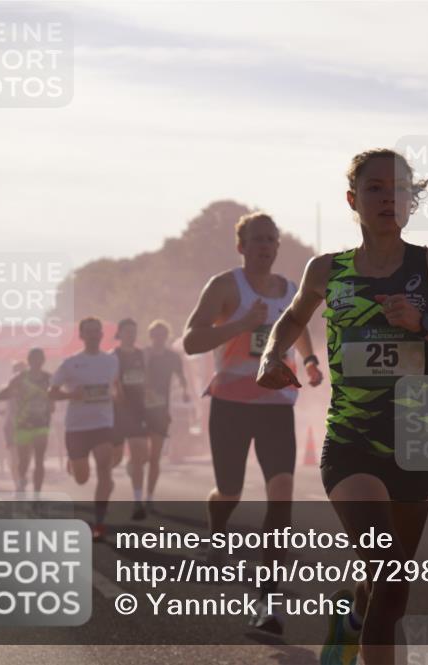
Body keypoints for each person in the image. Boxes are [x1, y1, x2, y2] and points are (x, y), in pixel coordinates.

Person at [257, 148, 428, 665]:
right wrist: (271, 355)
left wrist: (427, 326)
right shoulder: (326, 269)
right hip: (352, 439)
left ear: (412, 200)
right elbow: (292, 319)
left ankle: (351, 617)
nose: (390, 197)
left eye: (401, 189)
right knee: (387, 566)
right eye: (375, 188)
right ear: (353, 199)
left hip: (418, 435)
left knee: (391, 586)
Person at [183, 211, 323, 635]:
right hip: (230, 404)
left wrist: (311, 361)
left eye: (272, 240)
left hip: (276, 403)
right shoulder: (226, 286)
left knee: (281, 498)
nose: (266, 246)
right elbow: (191, 340)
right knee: (229, 491)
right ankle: (218, 526)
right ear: (241, 246)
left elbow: (299, 331)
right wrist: (242, 324)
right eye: (258, 239)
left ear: (278, 247)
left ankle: (269, 601)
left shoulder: (290, 291)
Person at [49, 317, 120, 541]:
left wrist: (117, 397)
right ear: (81, 336)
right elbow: (51, 392)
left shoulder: (111, 361)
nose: (93, 335)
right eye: (88, 332)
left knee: (104, 470)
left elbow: (116, 387)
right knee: (81, 478)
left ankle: (99, 523)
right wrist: (71, 395)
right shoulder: (70, 363)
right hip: (77, 427)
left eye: (96, 331)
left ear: (101, 335)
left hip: (103, 424)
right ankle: (73, 462)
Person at [138, 319, 192, 511]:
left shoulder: (172, 357)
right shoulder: (143, 354)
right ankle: (138, 489)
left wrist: (186, 392)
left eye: (162, 335)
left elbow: (181, 377)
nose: (159, 339)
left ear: (166, 337)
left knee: (155, 457)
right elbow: (134, 377)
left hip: (161, 410)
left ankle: (149, 496)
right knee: (141, 455)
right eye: (155, 335)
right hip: (140, 411)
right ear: (150, 336)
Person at [0, 349, 54, 496]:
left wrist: (51, 402)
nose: (37, 361)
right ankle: (21, 480)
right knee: (24, 460)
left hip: (41, 424)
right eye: (34, 359)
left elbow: (55, 394)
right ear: (29, 360)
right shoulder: (20, 378)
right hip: (23, 424)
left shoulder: (48, 378)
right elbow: (1, 395)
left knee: (39, 460)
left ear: (43, 360)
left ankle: (37, 494)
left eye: (40, 358)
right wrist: (10, 392)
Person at [111, 318, 151, 519]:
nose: (131, 335)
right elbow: (112, 382)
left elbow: (148, 380)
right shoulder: (113, 356)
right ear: (120, 333)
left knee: (141, 456)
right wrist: (117, 395)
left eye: (134, 331)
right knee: (114, 459)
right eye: (127, 331)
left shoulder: (141, 355)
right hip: (117, 413)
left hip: (138, 412)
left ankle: (137, 502)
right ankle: (108, 476)